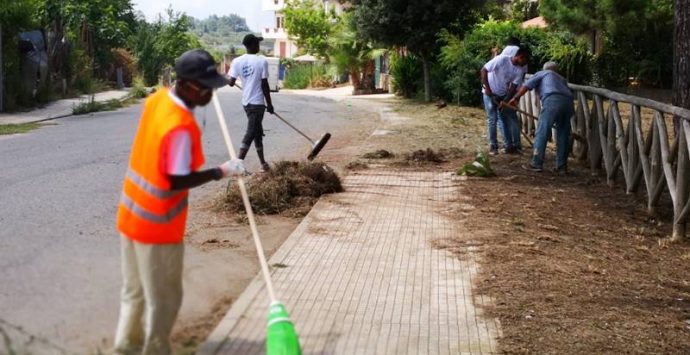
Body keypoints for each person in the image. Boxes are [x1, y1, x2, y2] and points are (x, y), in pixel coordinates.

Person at [114, 49, 246, 354]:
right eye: (206, 88)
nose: (211, 94)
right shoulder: (180, 127)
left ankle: (125, 346)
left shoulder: (158, 100)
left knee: (133, 291)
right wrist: (221, 171)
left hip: (130, 216)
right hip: (157, 229)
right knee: (164, 297)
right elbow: (175, 179)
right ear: (187, 86)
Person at [509, 61, 574, 174]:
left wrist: (515, 98)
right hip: (568, 102)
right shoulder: (562, 79)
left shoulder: (542, 73)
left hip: (552, 99)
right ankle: (561, 167)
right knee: (563, 134)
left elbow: (526, 86)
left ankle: (536, 163)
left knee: (542, 130)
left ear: (544, 68)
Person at [227, 34, 275, 172]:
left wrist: (227, 79)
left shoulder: (237, 61)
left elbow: (230, 83)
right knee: (251, 132)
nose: (259, 47)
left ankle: (263, 164)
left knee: (257, 132)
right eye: (257, 44)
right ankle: (238, 163)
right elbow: (265, 85)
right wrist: (270, 104)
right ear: (252, 45)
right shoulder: (261, 61)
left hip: (246, 103)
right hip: (258, 104)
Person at [481, 47, 530, 155]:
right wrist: (488, 90)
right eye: (524, 60)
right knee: (492, 119)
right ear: (520, 56)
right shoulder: (501, 59)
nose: (525, 64)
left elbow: (513, 87)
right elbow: (484, 70)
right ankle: (493, 147)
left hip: (502, 95)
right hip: (489, 93)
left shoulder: (519, 70)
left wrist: (506, 100)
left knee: (504, 119)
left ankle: (509, 146)